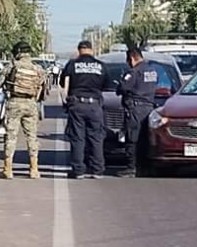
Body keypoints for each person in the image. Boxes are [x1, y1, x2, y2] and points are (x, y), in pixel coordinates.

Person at [0, 41, 47, 179]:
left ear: (17, 52)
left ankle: (7, 169)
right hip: (31, 104)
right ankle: (34, 169)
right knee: (32, 137)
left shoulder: (12, 66)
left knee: (11, 136)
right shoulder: (37, 68)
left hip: (14, 103)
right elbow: (43, 88)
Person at [60, 40, 110, 179]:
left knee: (77, 138)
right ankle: (97, 170)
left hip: (77, 104)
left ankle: (78, 170)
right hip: (95, 105)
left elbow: (63, 82)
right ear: (91, 50)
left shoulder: (72, 64)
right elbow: (106, 84)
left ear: (79, 50)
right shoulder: (101, 66)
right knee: (96, 138)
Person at [115, 46, 158, 178]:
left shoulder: (133, 72)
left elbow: (121, 88)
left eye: (128, 60)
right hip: (149, 108)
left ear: (132, 58)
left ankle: (131, 167)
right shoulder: (152, 71)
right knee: (145, 139)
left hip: (135, 109)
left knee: (132, 138)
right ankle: (145, 167)